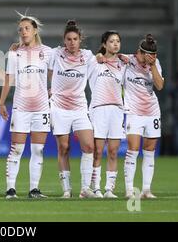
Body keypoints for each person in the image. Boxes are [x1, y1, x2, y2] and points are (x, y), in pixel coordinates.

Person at [0, 13, 52, 199]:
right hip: (21, 107)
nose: (23, 32)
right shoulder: (15, 53)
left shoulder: (48, 52)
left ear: (35, 30)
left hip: (41, 108)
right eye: (20, 29)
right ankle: (10, 189)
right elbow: (8, 79)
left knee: (38, 149)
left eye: (27, 28)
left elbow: (54, 75)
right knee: (17, 149)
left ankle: (34, 189)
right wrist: (3, 102)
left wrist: (52, 89)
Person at [48, 20, 95, 199]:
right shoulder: (56, 53)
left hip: (79, 108)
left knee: (89, 146)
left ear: (80, 39)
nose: (72, 42)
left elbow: (104, 57)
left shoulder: (88, 56)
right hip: (59, 107)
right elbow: (45, 64)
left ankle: (85, 188)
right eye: (69, 39)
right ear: (64, 40)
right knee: (64, 147)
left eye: (75, 39)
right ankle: (67, 190)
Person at [123, 34, 164, 199]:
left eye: (153, 55)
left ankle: (146, 190)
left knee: (149, 151)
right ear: (138, 52)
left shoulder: (155, 65)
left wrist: (153, 66)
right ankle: (129, 189)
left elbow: (159, 86)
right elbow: (107, 56)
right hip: (133, 111)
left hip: (152, 111)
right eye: (146, 55)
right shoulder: (127, 60)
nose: (149, 58)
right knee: (132, 149)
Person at [88, 31, 127, 198]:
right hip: (99, 108)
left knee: (113, 151)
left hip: (117, 110)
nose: (115, 44)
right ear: (104, 44)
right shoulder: (95, 62)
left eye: (118, 41)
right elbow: (88, 59)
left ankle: (109, 189)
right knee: (97, 150)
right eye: (111, 41)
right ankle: (95, 187)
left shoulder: (124, 64)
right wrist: (97, 56)